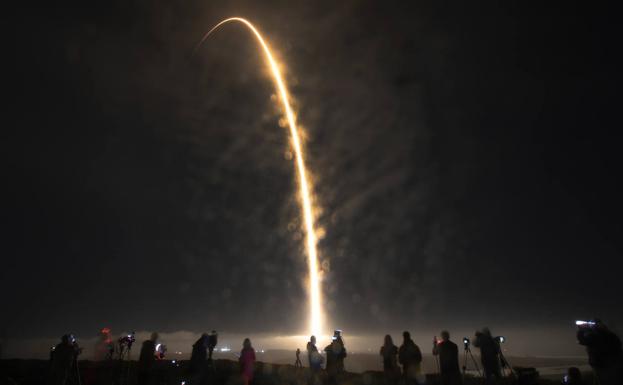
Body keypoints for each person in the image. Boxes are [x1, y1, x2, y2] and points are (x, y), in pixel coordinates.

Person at [577, 319, 623, 385]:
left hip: (600, 363)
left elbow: (582, 341)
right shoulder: (611, 335)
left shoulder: (596, 336)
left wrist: (581, 330)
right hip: (612, 362)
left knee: (602, 380)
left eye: (593, 324)